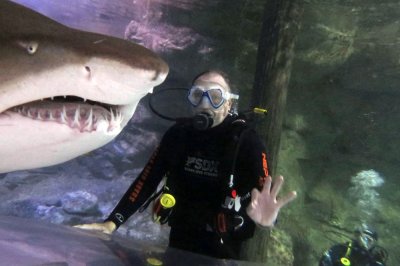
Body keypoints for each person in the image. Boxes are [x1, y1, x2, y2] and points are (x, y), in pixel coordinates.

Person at [75, 70, 297, 259]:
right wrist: (112, 222)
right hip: (180, 234)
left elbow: (263, 194)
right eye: (198, 95)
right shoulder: (179, 135)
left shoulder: (246, 141)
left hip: (224, 245)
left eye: (215, 96)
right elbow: (147, 179)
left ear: (228, 103)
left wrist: (269, 220)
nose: (205, 103)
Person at [319, 224, 387, 266]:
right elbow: (325, 261)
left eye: (369, 241)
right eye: (364, 238)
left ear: (374, 244)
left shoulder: (373, 261)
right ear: (359, 237)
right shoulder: (343, 249)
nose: (366, 242)